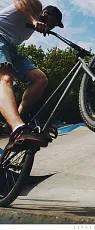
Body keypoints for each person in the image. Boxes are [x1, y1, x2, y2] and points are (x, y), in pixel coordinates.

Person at [0, 0, 64, 151]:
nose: (50, 28)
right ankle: (17, 128)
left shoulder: (30, 29)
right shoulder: (36, 7)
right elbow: (18, 2)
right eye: (52, 23)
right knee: (6, 77)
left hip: (11, 50)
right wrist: (34, 20)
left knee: (40, 79)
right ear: (45, 14)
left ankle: (15, 119)